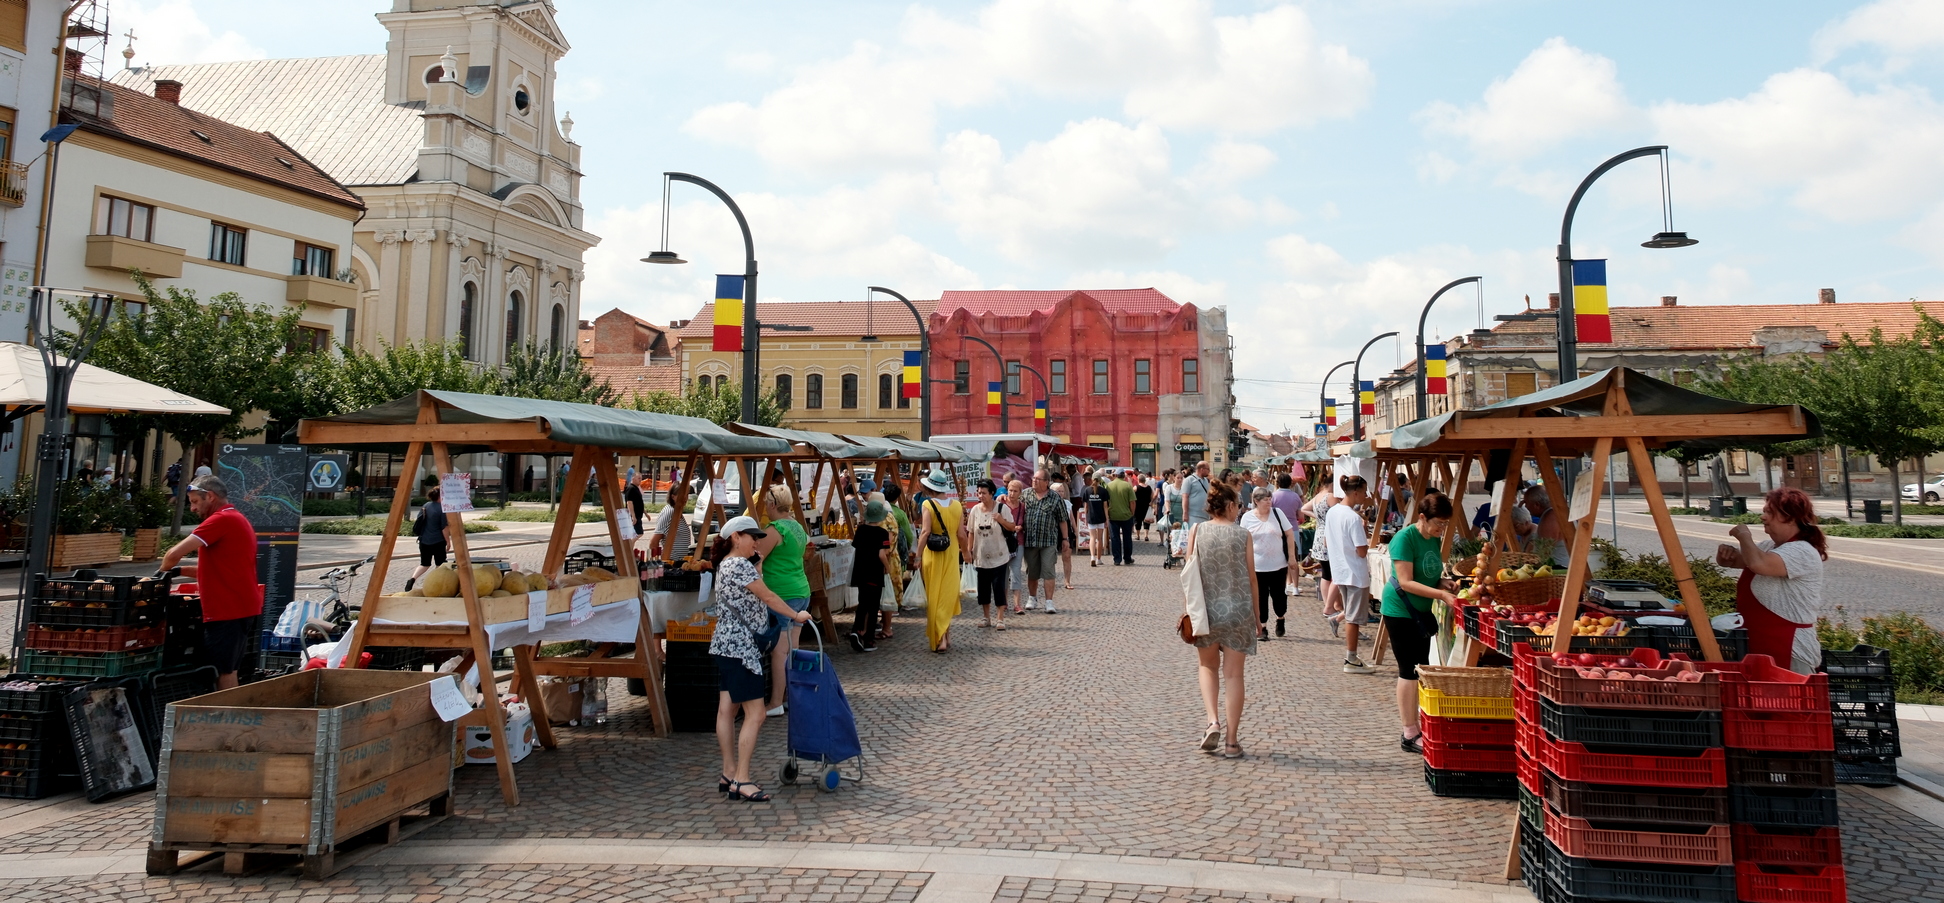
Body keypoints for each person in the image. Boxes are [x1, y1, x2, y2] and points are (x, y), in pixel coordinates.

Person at [709, 515, 812, 803]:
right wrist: (796, 615)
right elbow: (768, 597)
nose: (757, 541)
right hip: (741, 648)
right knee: (757, 713)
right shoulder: (739, 566)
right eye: (751, 537)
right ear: (735, 538)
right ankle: (742, 778)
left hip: (724, 645)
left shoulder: (728, 565)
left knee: (727, 710)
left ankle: (729, 772)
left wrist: (758, 561)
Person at [158, 476, 261, 690]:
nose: (193, 508)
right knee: (228, 667)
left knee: (222, 671)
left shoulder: (220, 520)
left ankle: (226, 719)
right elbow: (215, 571)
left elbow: (173, 554)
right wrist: (179, 571)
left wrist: (158, 576)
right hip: (239, 607)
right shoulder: (236, 518)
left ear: (210, 496)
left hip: (227, 610)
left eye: (195, 501)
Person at [1716, 487, 1828, 674]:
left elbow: (1759, 563)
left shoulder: (1802, 551)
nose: (1763, 517)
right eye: (1764, 511)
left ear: (1791, 517)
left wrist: (1744, 536)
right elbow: (1737, 561)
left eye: (1770, 512)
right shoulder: (1769, 546)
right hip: (1761, 647)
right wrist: (1725, 554)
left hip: (1791, 649)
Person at [1382, 493, 1459, 753]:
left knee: (1420, 669)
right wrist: (1441, 594)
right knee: (1408, 670)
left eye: (1446, 525)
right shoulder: (1404, 539)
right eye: (1438, 523)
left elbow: (1427, 576)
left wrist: (1442, 583)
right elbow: (1405, 581)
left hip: (1420, 611)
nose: (1441, 529)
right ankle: (1409, 732)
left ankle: (1418, 724)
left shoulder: (1433, 539)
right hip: (1401, 611)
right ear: (1422, 517)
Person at [1187, 480, 1256, 759]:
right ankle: (1231, 742)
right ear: (1229, 506)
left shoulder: (1197, 530)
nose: (1239, 510)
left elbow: (1189, 574)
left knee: (1207, 667)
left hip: (1206, 610)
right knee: (1234, 675)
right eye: (1238, 505)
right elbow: (1252, 577)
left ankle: (1213, 721)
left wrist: (1188, 611)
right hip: (1239, 610)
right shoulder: (1243, 535)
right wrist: (1258, 617)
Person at [753, 485, 813, 714]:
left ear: (771, 504)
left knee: (779, 651)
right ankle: (790, 696)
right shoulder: (796, 526)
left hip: (782, 594)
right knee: (792, 647)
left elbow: (757, 559)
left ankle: (776, 701)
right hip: (800, 590)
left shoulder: (774, 530)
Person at [1327, 475, 1376, 673]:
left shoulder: (1334, 512)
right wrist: (1364, 533)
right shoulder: (1353, 518)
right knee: (1353, 618)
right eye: (1364, 492)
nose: (1366, 496)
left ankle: (1352, 657)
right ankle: (1351, 658)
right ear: (1355, 493)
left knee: (1350, 614)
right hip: (1354, 572)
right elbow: (1362, 550)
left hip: (1340, 569)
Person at [917, 469, 966, 652]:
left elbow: (925, 532)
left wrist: (918, 555)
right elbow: (961, 534)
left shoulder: (928, 504)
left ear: (929, 488)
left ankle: (940, 638)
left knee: (935, 596)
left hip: (933, 554)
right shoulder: (957, 506)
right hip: (952, 554)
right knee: (946, 595)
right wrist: (966, 553)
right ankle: (946, 635)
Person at [1240, 486, 1297, 640]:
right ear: (1256, 501)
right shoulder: (1247, 517)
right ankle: (1263, 627)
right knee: (1260, 597)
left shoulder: (1278, 514)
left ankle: (1280, 618)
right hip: (1256, 566)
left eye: (1270, 499)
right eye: (1265, 499)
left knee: (1279, 597)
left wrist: (1292, 556)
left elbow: (1289, 534)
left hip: (1278, 564)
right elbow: (1242, 540)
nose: (1268, 502)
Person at [966, 479, 1016, 630]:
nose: (980, 495)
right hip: (981, 556)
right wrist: (969, 551)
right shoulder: (975, 510)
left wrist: (1001, 520)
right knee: (983, 589)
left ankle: (1000, 618)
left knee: (999, 587)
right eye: (979, 492)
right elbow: (971, 532)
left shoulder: (1002, 508)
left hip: (999, 555)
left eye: (984, 493)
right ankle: (986, 617)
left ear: (992, 494)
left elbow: (1012, 527)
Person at [848, 500, 893, 653]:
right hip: (875, 573)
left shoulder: (860, 530)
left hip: (860, 572)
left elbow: (856, 547)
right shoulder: (882, 533)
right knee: (873, 607)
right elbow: (882, 554)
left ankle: (856, 630)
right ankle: (868, 640)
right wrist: (888, 569)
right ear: (881, 517)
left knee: (862, 604)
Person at [1020, 470, 1066, 614]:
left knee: (1048, 572)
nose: (1034, 480)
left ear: (1046, 482)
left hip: (1048, 542)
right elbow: (1013, 504)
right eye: (1033, 478)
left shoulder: (1055, 498)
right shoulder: (1026, 494)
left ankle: (1049, 602)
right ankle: (1032, 598)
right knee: (1032, 572)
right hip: (1030, 541)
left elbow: (1063, 519)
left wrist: (1065, 539)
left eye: (1038, 479)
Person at [404, 487, 450, 591]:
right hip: (438, 540)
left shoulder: (425, 506)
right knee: (440, 564)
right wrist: (448, 541)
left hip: (424, 540)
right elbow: (444, 528)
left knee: (424, 564)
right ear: (440, 497)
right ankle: (436, 585)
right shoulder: (442, 509)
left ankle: (412, 579)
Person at [1522, 486, 1570, 566]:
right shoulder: (1556, 513)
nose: (1526, 507)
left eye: (1526, 503)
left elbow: (1543, 553)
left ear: (1536, 505)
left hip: (1558, 571)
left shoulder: (1550, 517)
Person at [1002, 479, 1028, 613]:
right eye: (1010, 490)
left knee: (1016, 572)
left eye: (1015, 491)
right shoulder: (1001, 504)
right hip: (1002, 543)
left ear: (1020, 493)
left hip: (1018, 542)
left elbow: (1026, 523)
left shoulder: (1023, 507)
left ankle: (1017, 604)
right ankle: (1004, 602)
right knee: (1003, 572)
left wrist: (1020, 527)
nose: (1012, 493)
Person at [1105, 469, 1136, 566]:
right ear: (1123, 476)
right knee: (1127, 538)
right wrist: (1132, 513)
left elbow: (1106, 501)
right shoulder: (1127, 485)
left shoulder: (1109, 485)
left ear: (1115, 475)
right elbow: (1132, 502)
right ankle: (1127, 558)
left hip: (1113, 515)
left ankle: (1117, 559)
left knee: (1115, 538)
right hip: (1126, 516)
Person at [1051, 478, 1076, 592]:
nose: (1061, 493)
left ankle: (1067, 581)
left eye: (1062, 491)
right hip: (1053, 530)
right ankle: (1050, 580)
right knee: (1051, 557)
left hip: (1066, 531)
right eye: (1058, 491)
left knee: (1067, 556)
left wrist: (1075, 531)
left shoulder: (1067, 503)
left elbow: (1071, 518)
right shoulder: (1050, 503)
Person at [1084, 475, 1110, 567]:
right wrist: (1107, 518)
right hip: (1101, 517)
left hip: (1091, 516)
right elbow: (1105, 506)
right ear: (1100, 480)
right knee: (1099, 539)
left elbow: (1086, 506)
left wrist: (1086, 517)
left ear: (1092, 479)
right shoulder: (1103, 491)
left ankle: (1092, 557)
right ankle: (1099, 559)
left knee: (1092, 538)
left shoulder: (1087, 490)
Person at [1183, 460, 1213, 528]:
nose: (1209, 471)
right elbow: (1185, 497)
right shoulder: (1189, 480)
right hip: (1193, 515)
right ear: (1202, 469)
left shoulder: (1206, 480)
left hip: (1205, 515)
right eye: (1208, 469)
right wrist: (1185, 513)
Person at [624, 470, 646, 537]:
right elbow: (629, 502)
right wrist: (633, 516)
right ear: (633, 478)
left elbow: (639, 502)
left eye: (641, 478)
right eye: (638, 478)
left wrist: (646, 513)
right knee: (638, 533)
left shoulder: (636, 488)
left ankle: (630, 546)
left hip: (638, 515)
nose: (640, 480)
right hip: (634, 515)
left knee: (636, 533)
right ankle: (629, 546)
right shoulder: (631, 488)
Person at [1133, 472, 1154, 542]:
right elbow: (1152, 496)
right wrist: (1151, 502)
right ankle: (1146, 535)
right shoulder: (1149, 488)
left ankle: (1138, 535)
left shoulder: (1136, 487)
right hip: (1146, 506)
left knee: (1138, 521)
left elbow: (1132, 496)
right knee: (1146, 521)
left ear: (1138, 480)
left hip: (1138, 506)